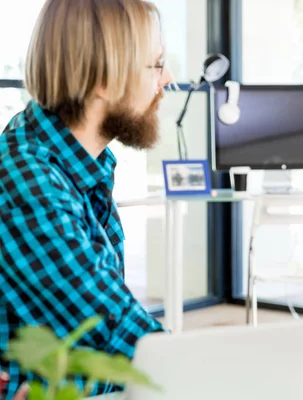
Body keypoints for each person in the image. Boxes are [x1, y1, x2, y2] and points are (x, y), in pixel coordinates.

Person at [0, 0, 173, 398]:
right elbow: (112, 327)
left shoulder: (72, 161)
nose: (168, 79)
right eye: (156, 65)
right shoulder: (27, 182)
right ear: (105, 78)